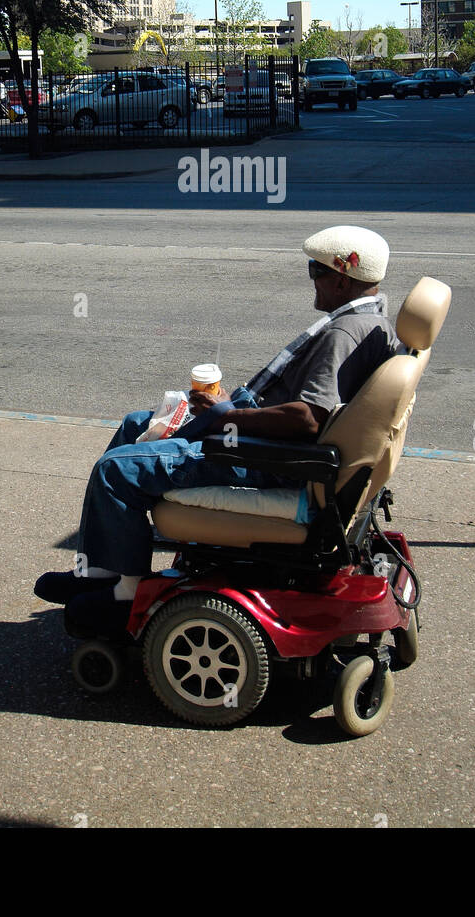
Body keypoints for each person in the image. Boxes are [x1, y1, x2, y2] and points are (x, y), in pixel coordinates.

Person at [34, 225, 403, 633]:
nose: (311, 278)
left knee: (116, 469)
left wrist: (226, 415)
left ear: (341, 278)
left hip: (265, 456)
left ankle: (125, 598)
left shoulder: (342, 334)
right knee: (134, 426)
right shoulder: (375, 323)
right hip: (269, 439)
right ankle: (101, 570)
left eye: (315, 270)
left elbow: (308, 418)